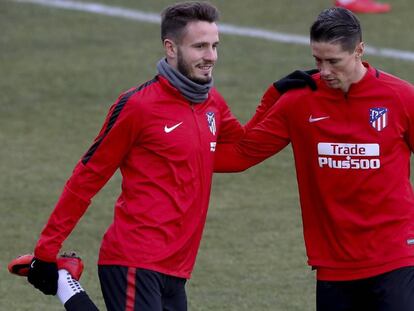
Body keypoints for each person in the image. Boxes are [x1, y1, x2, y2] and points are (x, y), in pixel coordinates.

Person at [25, 2, 315, 310]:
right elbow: (87, 177)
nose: (211, 57)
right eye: (200, 46)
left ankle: (65, 283)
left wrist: (274, 97)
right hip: (134, 258)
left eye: (215, 46)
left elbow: (242, 152)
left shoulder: (211, 102)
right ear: (171, 48)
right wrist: (46, 251)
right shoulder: (138, 106)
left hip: (177, 266)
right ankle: (62, 280)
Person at [215, 7, 414, 311]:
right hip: (334, 263)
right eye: (317, 61)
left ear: (359, 50)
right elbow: (239, 155)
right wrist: (272, 97)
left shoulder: (400, 97)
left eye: (334, 61)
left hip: (396, 257)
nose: (324, 72)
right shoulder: (298, 101)